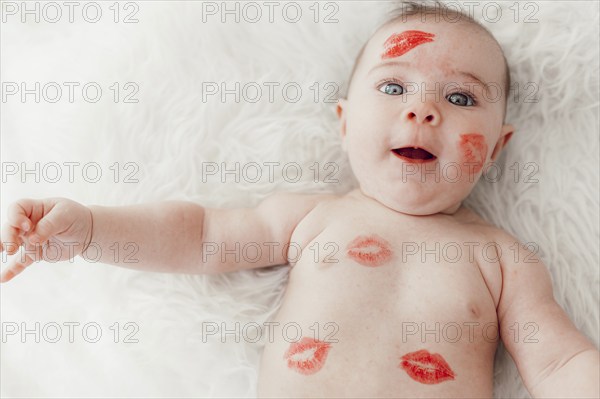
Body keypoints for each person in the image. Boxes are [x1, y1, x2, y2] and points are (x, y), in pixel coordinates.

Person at [1, 1, 598, 397]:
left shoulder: (501, 258)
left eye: (462, 99)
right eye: (393, 86)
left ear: (497, 147)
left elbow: (559, 364)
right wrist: (90, 231)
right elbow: (199, 236)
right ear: (344, 121)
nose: (422, 109)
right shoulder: (313, 217)